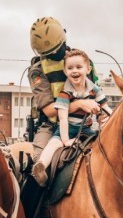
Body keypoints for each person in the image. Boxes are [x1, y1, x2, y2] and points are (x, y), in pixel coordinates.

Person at [22, 17, 101, 218]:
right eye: (48, 53)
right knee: (39, 166)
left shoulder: (83, 60)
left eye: (56, 51)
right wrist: (77, 105)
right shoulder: (37, 68)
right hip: (51, 125)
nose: (53, 56)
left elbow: (95, 93)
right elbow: (48, 109)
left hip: (86, 122)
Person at [32, 49, 108, 186]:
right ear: (65, 71)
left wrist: (111, 118)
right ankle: (41, 166)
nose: (74, 71)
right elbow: (62, 118)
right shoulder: (65, 94)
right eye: (70, 68)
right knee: (53, 144)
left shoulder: (94, 89)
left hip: (87, 128)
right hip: (69, 128)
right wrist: (65, 140)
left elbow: (106, 108)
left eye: (79, 67)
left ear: (88, 69)